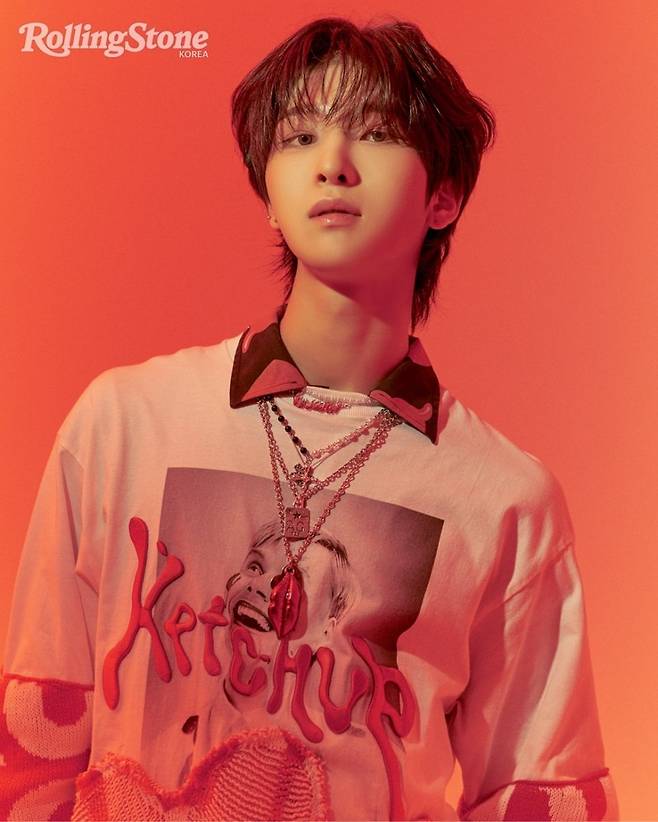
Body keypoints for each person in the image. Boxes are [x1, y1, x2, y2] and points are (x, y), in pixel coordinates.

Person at [0, 14, 619, 821]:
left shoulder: (504, 499)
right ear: (269, 196)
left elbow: (535, 791)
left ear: (443, 196)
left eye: (377, 132)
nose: (332, 163)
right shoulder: (123, 425)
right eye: (298, 137)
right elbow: (37, 745)